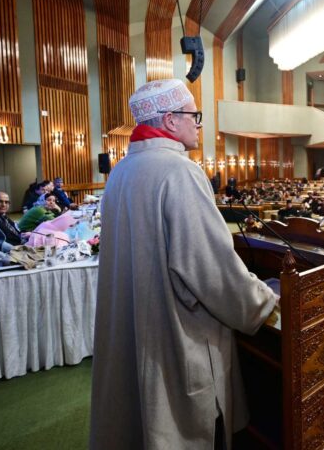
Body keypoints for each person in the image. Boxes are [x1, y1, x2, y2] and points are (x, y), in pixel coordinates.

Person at [91, 79, 278, 450]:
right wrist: (262, 299)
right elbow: (210, 269)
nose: (198, 123)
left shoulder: (121, 173)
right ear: (171, 120)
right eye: (195, 116)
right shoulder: (180, 172)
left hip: (135, 320)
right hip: (174, 329)